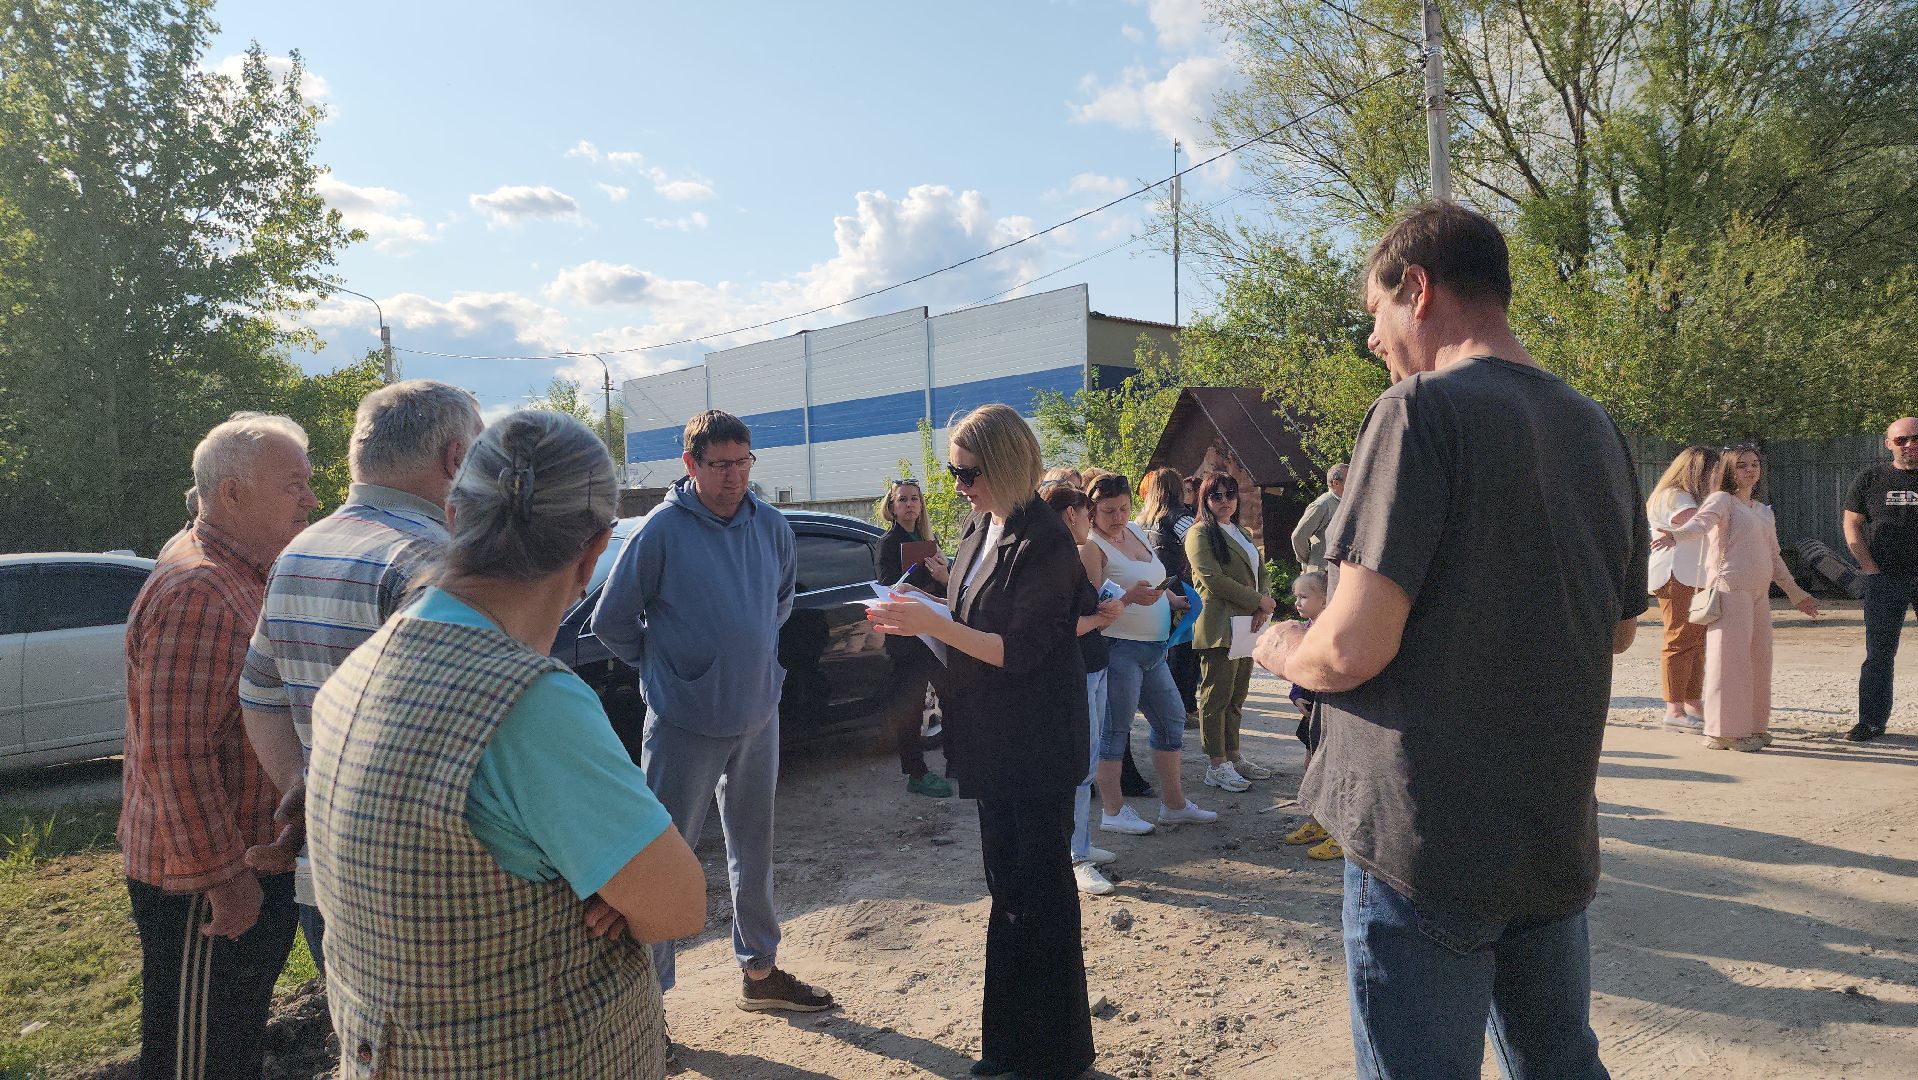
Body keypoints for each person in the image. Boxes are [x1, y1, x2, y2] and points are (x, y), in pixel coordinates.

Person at [1256, 201, 1648, 1080]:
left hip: (1427, 839)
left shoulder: (1416, 410)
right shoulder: (1596, 426)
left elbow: (1348, 651)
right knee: (1560, 1061)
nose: (1372, 339)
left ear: (1419, 289)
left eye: (1376, 311)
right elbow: (1619, 629)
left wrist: (1281, 646)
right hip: (1550, 826)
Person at [306, 411, 705, 1078]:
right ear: (593, 552)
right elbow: (677, 904)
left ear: (454, 518)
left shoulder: (360, 668)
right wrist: (607, 890)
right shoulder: (529, 704)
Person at [865, 403, 1096, 1080]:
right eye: (953, 473)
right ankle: (1009, 1048)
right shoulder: (978, 527)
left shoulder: (1044, 540)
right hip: (992, 738)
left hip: (1038, 743)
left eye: (968, 473)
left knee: (1040, 893)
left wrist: (932, 621)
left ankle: (1054, 1057)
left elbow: (1020, 649)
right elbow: (968, 615)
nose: (959, 486)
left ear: (1004, 464)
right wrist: (921, 615)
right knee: (1008, 890)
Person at [589, 410, 834, 1012]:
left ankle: (760, 971)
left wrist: (748, 662)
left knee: (754, 848)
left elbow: (780, 603)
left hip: (757, 715)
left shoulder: (770, 525)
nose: (734, 477)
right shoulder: (662, 530)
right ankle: (648, 1005)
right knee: (662, 859)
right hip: (683, 723)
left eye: (743, 463)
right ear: (690, 464)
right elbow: (611, 621)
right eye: (720, 465)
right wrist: (670, 672)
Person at [239, 380, 482, 977]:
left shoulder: (300, 550)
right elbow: (467, 740)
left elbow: (260, 694)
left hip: (329, 872)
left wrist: (305, 788)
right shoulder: (431, 562)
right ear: (455, 457)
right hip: (426, 890)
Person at [120, 413, 317, 1079]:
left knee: (227, 1046)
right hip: (205, 886)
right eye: (294, 485)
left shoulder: (236, 571)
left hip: (238, 866)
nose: (311, 499)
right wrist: (224, 882)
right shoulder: (200, 588)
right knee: (197, 1058)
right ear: (232, 493)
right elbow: (174, 754)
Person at [1654, 447, 1819, 750]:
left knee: (1759, 660)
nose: (1750, 470)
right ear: (1729, 470)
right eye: (1742, 465)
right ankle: (1723, 732)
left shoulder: (1763, 510)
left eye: (1754, 464)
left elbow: (1774, 557)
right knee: (1729, 662)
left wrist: (1797, 594)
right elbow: (1699, 525)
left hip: (1758, 594)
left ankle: (1754, 726)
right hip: (1730, 590)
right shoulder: (1722, 500)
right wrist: (1675, 535)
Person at [1086, 472, 1216, 835]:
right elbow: (1091, 602)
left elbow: (1153, 577)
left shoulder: (1136, 530)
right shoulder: (1090, 547)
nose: (1118, 516)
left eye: (1124, 508)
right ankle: (1113, 811)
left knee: (1172, 720)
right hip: (1118, 647)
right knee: (1115, 731)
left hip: (1155, 647)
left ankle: (1174, 805)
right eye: (1109, 510)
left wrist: (1171, 597)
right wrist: (1129, 598)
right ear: (1092, 511)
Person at [1042, 481, 1126, 895]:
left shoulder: (1070, 556)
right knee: (1079, 763)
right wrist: (1100, 619)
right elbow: (1062, 625)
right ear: (1071, 514)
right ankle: (1075, 856)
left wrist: (1107, 608)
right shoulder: (1055, 560)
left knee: (1088, 761)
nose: (1092, 522)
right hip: (1076, 669)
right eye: (1087, 513)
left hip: (1094, 664)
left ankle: (1082, 844)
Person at [1185, 472, 1277, 792]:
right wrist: (1258, 601)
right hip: (1220, 624)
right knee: (1216, 697)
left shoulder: (1242, 532)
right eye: (1217, 496)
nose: (1225, 501)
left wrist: (1263, 603)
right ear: (1205, 500)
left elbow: (1260, 573)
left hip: (1248, 622)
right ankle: (1216, 764)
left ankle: (1234, 756)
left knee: (1237, 696)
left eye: (1230, 494)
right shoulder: (1199, 533)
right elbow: (1213, 579)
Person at [875, 477, 954, 797]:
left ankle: (956, 761)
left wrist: (941, 575)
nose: (909, 504)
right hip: (908, 637)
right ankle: (916, 772)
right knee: (909, 707)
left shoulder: (929, 540)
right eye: (903, 499)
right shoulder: (888, 543)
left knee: (952, 697)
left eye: (914, 499)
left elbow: (948, 585)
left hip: (934, 631)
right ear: (892, 507)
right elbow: (887, 587)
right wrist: (915, 582)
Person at [1843, 416, 1918, 742]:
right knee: (1879, 655)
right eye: (1902, 439)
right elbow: (1852, 525)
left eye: (1915, 438)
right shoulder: (1870, 478)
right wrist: (1869, 567)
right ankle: (1871, 722)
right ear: (1889, 444)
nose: (1910, 445)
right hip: (1885, 577)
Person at [1645, 447, 1719, 733]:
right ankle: (1673, 709)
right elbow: (1696, 523)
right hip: (1677, 574)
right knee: (1679, 640)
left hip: (1694, 575)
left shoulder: (1687, 497)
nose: (1718, 476)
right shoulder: (1674, 496)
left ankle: (1692, 702)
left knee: (1696, 642)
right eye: (1714, 471)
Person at [1278, 571, 1341, 860]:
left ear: (1325, 600)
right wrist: (1296, 695)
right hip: (1313, 711)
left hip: (1335, 710)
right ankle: (1318, 821)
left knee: (1335, 769)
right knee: (1312, 764)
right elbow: (1298, 668)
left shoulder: (1334, 629)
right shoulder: (1305, 629)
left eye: (1304, 597)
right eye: (1296, 596)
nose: (1297, 602)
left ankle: (1340, 832)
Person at [1139, 466, 1201, 726]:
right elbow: (1200, 548)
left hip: (1156, 588)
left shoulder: (1140, 522)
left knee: (1163, 652)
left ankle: (1165, 708)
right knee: (1185, 653)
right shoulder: (1182, 519)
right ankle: (1184, 708)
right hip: (1181, 589)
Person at [1289, 463, 1348, 572]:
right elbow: (1298, 537)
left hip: (1340, 569)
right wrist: (1310, 561)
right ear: (1336, 483)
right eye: (1350, 479)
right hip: (1322, 572)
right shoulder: (1322, 505)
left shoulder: (1346, 503)